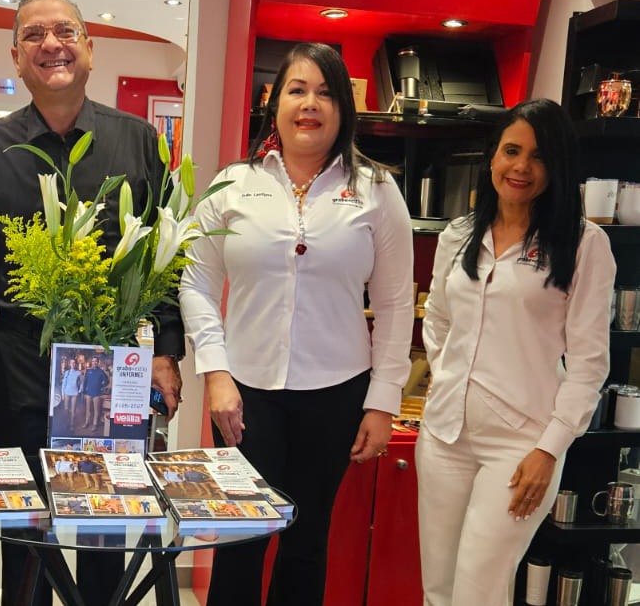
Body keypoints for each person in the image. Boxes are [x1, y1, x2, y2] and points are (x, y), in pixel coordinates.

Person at [0, 0, 185, 606]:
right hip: (19, 363)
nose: (50, 45)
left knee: (106, 526)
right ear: (15, 56)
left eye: (64, 32)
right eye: (33, 35)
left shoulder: (138, 141)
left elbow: (164, 256)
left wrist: (165, 351)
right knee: (26, 531)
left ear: (90, 47)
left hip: (114, 365)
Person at [179, 42, 414, 606]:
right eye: (297, 90)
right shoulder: (233, 184)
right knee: (239, 538)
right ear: (275, 103)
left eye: (326, 93)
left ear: (343, 110)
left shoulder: (378, 191)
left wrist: (382, 401)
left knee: (306, 542)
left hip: (336, 392)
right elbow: (196, 282)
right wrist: (215, 372)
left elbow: (396, 302)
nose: (311, 104)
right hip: (244, 392)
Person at [415, 98, 616, 605]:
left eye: (538, 156)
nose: (521, 167)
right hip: (443, 436)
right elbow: (437, 318)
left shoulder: (584, 245)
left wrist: (550, 449)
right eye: (511, 151)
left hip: (521, 445)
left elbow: (589, 364)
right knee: (438, 590)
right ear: (493, 156)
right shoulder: (460, 235)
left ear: (558, 166)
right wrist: (447, 374)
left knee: (478, 591)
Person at [81, 356, 110, 428]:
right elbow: (85, 382)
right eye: (93, 361)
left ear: (98, 362)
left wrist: (101, 386)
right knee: (88, 409)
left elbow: (107, 381)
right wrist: (84, 392)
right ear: (92, 362)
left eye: (95, 361)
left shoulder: (100, 371)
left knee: (96, 410)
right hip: (88, 393)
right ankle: (86, 422)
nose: (94, 362)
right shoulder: (88, 371)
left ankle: (95, 424)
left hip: (96, 394)